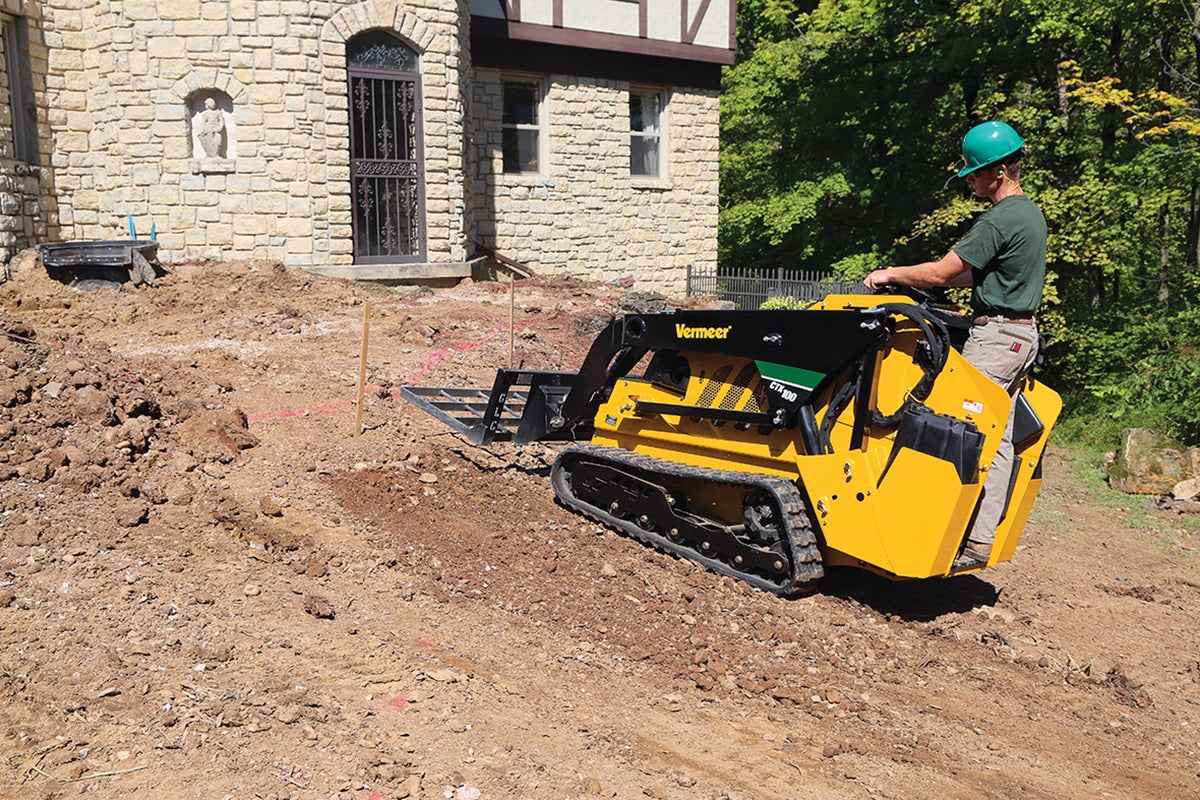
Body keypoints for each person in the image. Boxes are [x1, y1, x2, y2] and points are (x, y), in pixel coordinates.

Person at [863, 120, 1047, 567]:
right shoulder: (1030, 214)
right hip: (1021, 337)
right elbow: (977, 274)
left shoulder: (1000, 218)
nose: (970, 181)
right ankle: (979, 540)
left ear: (998, 172)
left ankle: (922, 535)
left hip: (997, 338)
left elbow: (940, 273)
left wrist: (889, 274)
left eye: (975, 173)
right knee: (996, 436)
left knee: (949, 427)